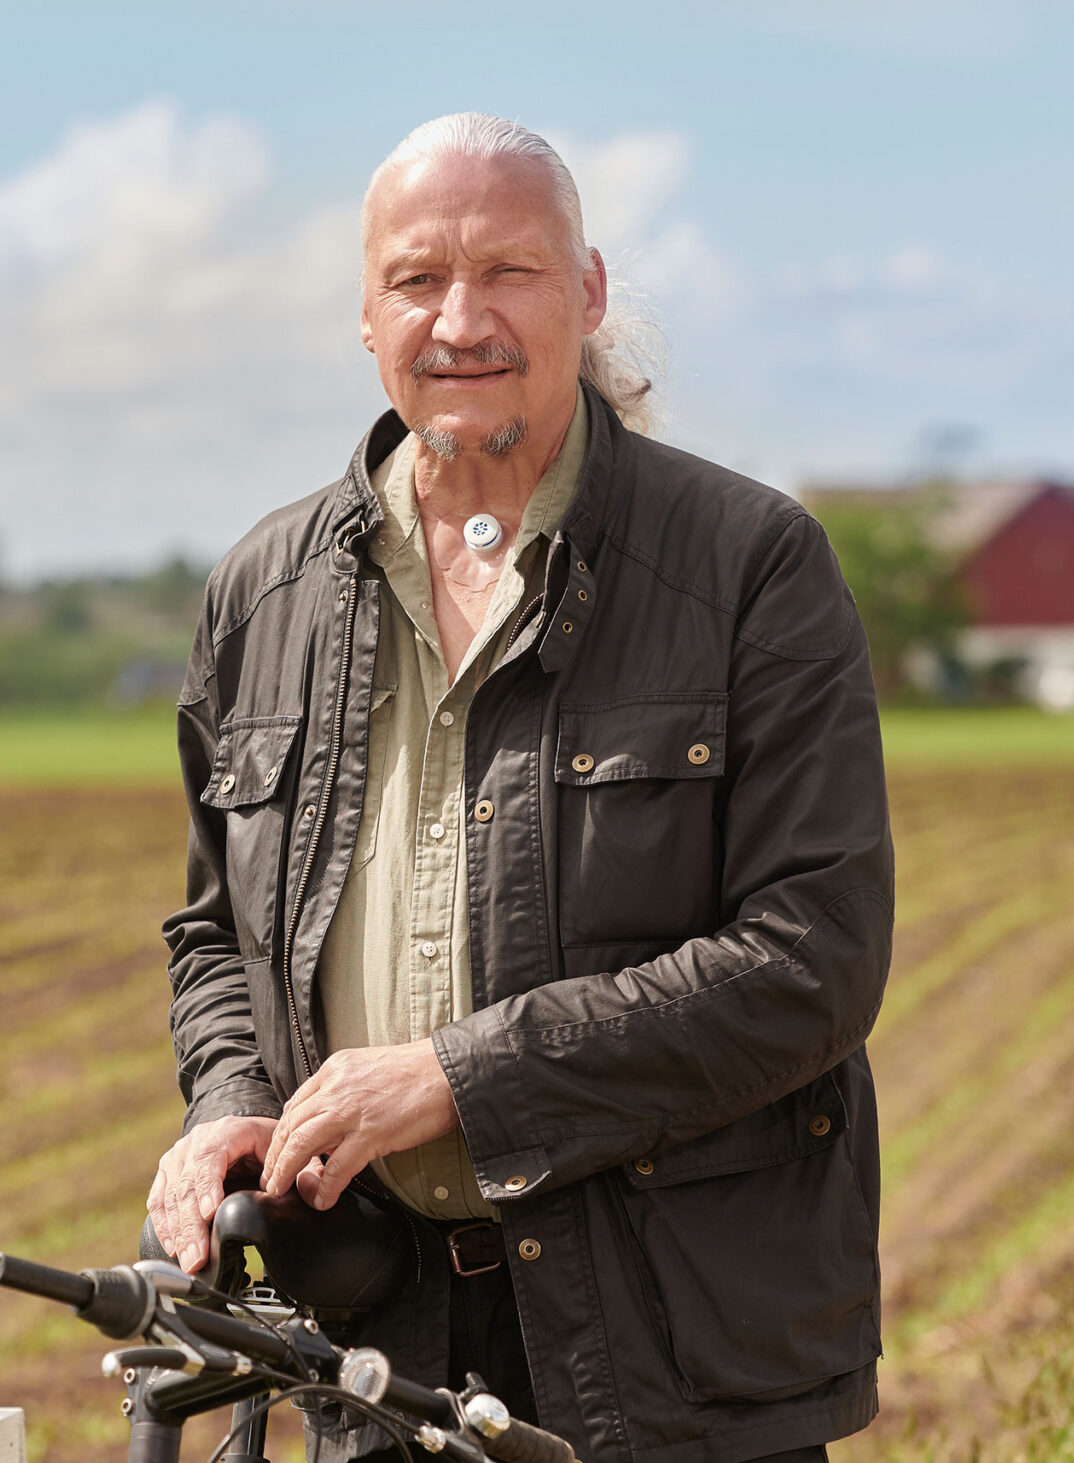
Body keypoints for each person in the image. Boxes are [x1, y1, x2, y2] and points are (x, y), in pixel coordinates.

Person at [150, 114, 895, 1463]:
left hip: (667, 1354)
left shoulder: (747, 568)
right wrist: (228, 1106)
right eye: (418, 279)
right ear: (365, 313)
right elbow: (215, 937)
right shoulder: (261, 596)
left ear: (590, 292)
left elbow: (813, 963)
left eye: (510, 272)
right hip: (368, 1348)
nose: (461, 318)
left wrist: (456, 1078)